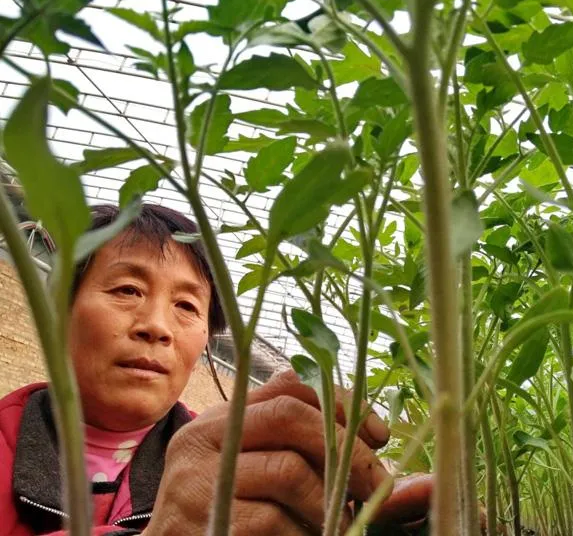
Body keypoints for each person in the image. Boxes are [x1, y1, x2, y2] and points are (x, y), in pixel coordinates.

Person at [0, 204, 432, 535]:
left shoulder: (234, 464)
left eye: (187, 306)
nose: (156, 326)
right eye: (127, 289)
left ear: (205, 339)